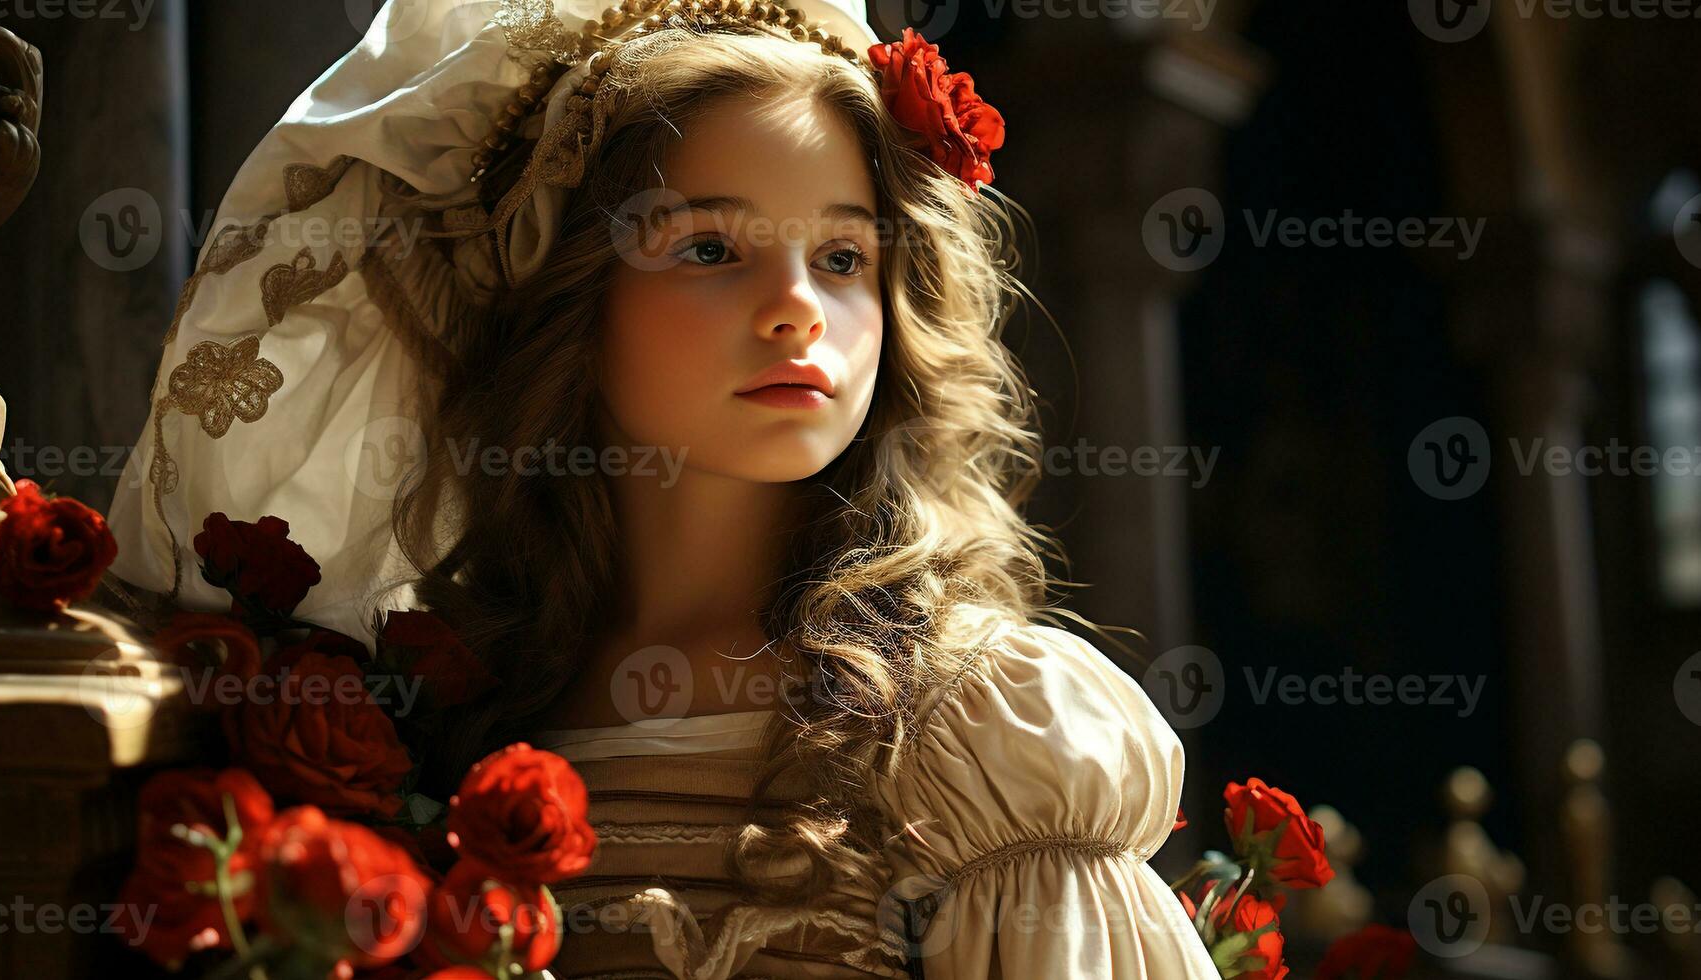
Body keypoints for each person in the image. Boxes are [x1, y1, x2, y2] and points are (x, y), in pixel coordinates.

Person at [104, 0, 1219, 975]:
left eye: (840, 258)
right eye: (707, 249)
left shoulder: (976, 732)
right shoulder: (447, 712)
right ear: (569, 301)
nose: (795, 309)